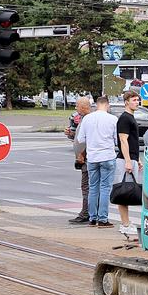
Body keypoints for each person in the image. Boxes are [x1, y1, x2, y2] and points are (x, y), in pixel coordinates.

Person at [75, 95, 119, 228]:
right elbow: (117, 140)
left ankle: (92, 218)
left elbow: (81, 139)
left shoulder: (87, 119)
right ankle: (103, 219)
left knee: (93, 188)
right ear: (107, 105)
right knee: (105, 188)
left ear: (96, 105)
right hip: (107, 156)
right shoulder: (113, 119)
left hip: (92, 158)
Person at [113, 90, 143, 239]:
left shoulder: (131, 117)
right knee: (124, 191)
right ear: (126, 102)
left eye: (138, 100)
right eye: (134, 100)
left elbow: (132, 142)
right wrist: (127, 161)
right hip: (125, 160)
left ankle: (126, 223)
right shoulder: (124, 118)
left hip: (131, 159)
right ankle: (125, 225)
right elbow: (123, 141)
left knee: (129, 191)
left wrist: (136, 159)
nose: (137, 102)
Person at [66, 95, 92, 224]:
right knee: (88, 186)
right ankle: (89, 212)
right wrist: (71, 134)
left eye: (77, 106)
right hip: (85, 158)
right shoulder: (84, 119)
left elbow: (88, 140)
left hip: (86, 158)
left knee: (86, 186)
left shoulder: (87, 119)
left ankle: (86, 213)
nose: (76, 108)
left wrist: (82, 154)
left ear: (83, 107)